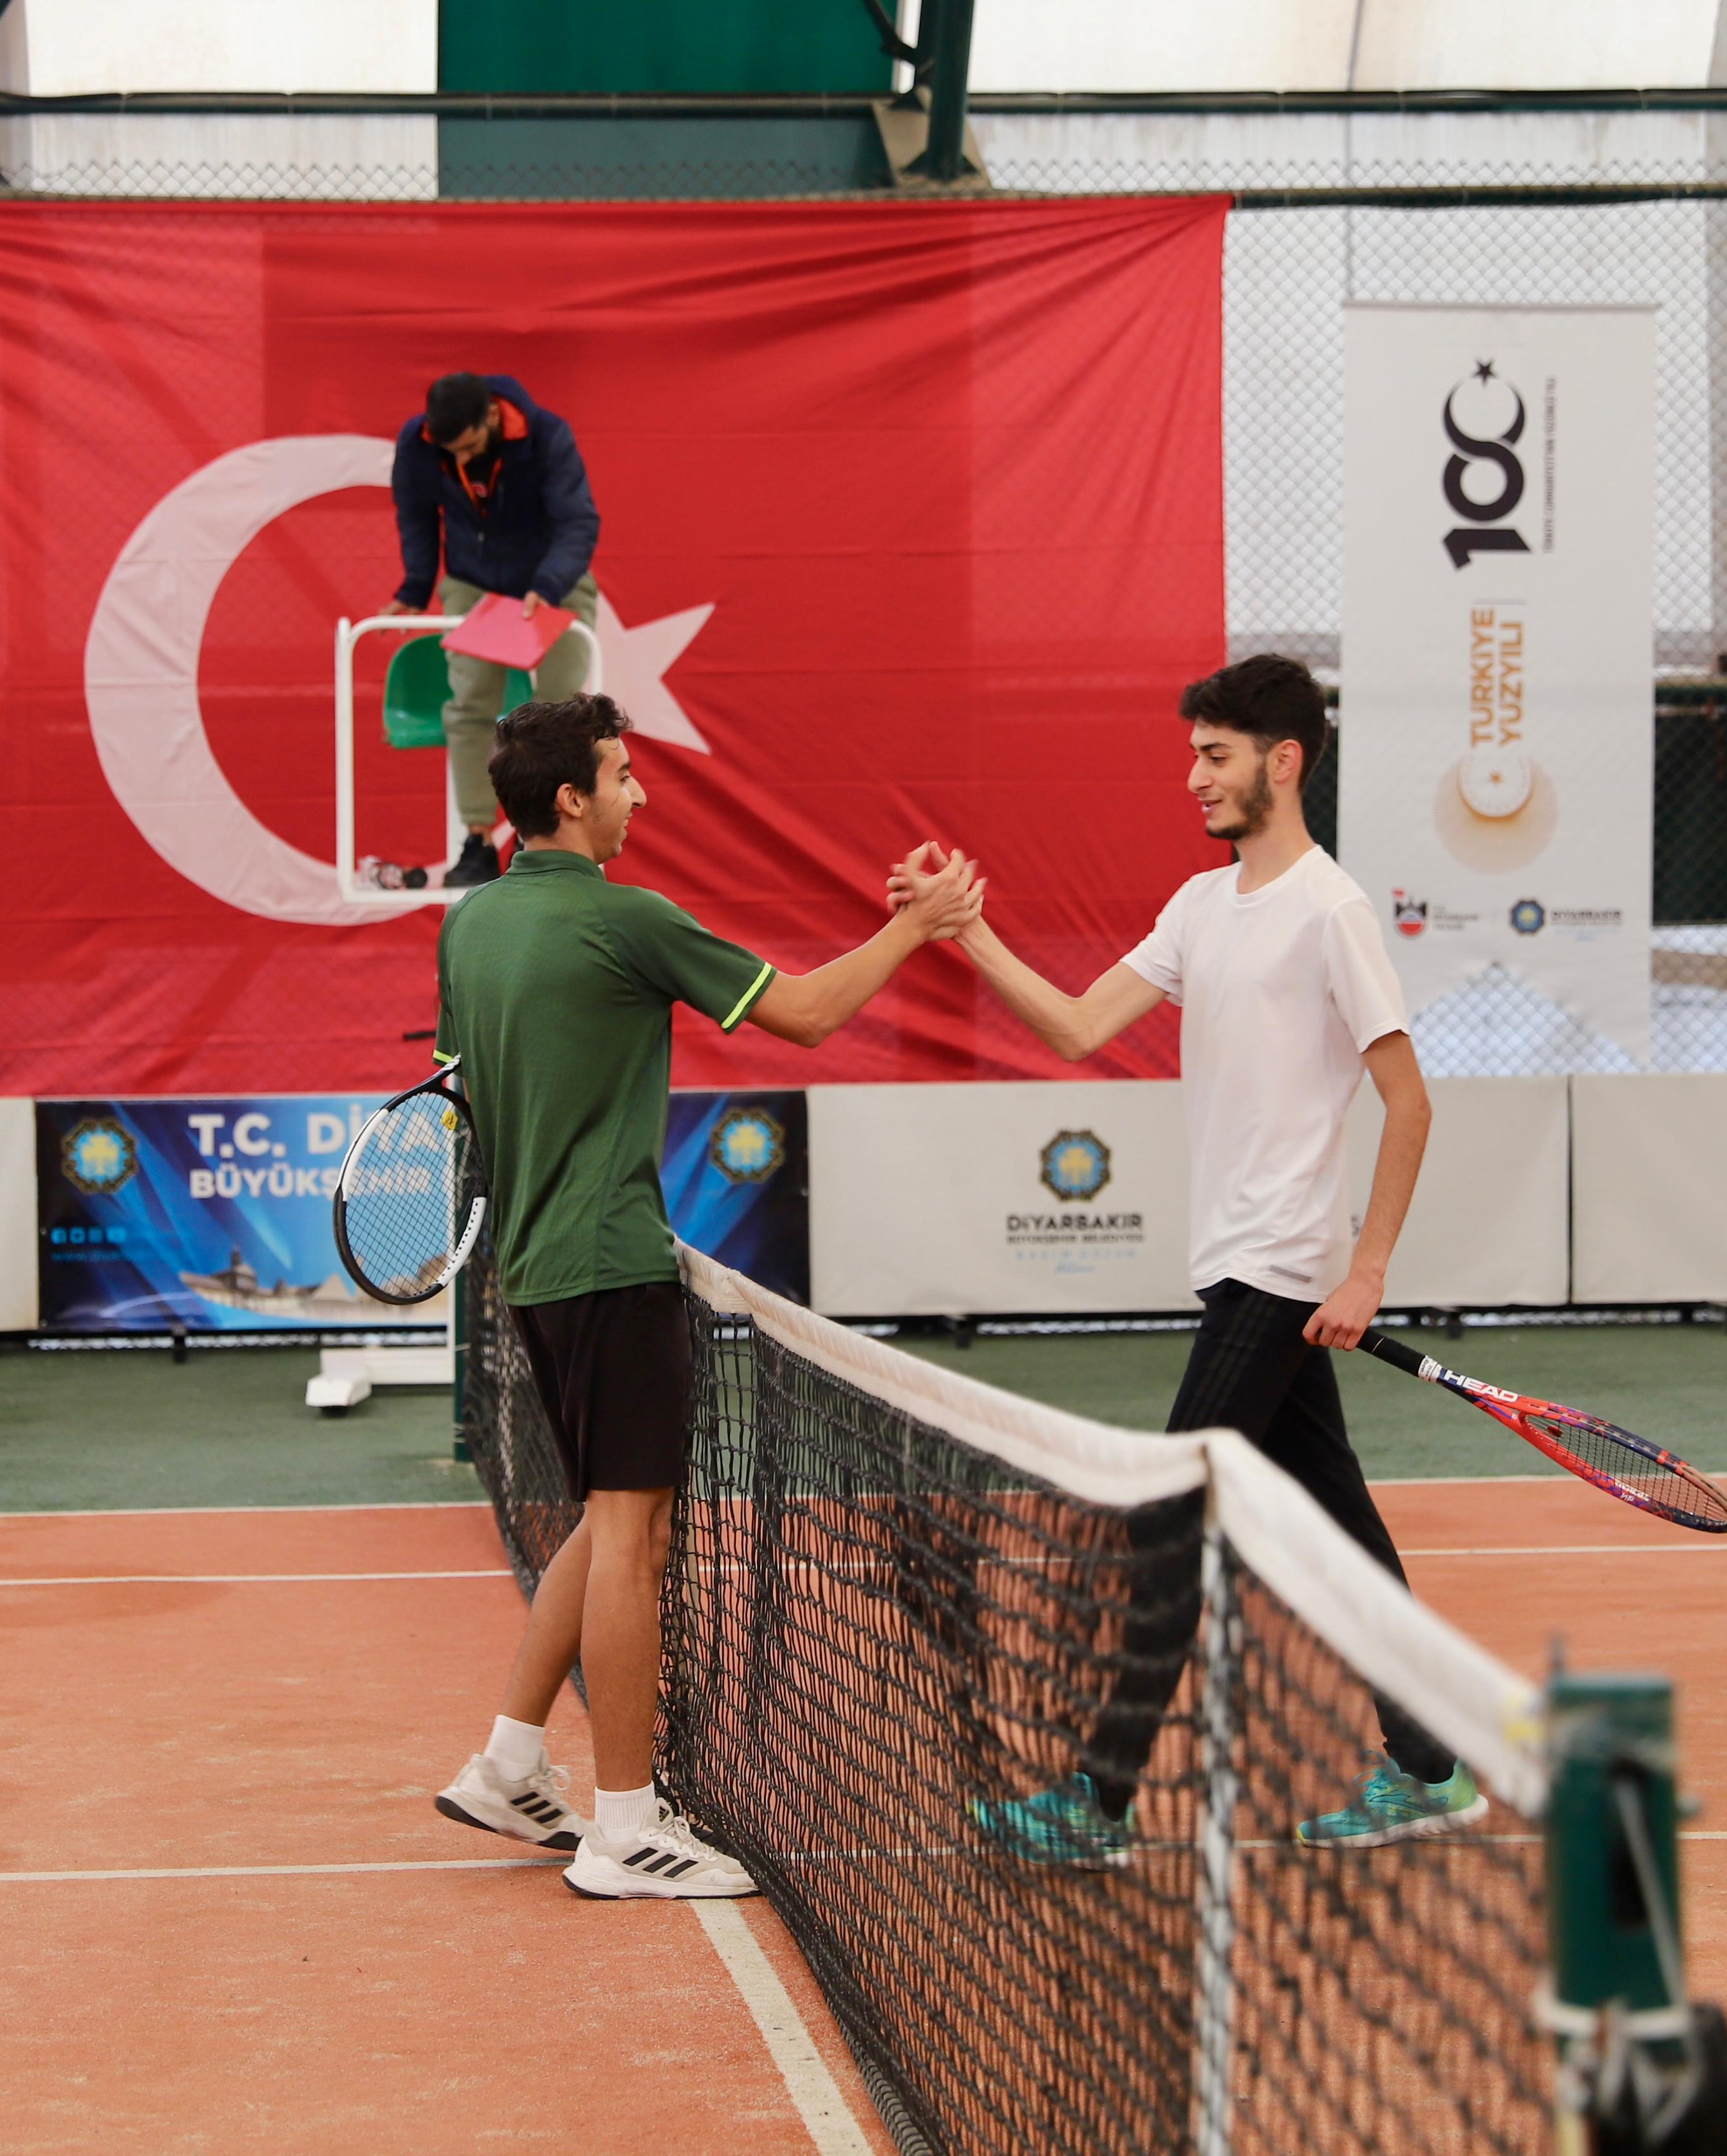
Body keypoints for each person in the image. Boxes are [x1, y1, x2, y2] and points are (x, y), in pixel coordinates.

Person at [904, 652, 1485, 1859]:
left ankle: (1096, 1801)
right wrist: (968, 934)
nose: (1194, 777)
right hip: (1231, 1265)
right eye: (1193, 754)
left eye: (1215, 756)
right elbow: (1075, 1027)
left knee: (1167, 1517)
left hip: (1279, 1269)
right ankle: (1429, 1763)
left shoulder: (1333, 912)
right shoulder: (1198, 906)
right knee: (1341, 1525)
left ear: (1284, 761)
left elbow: (1410, 1101)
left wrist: (1364, 1268)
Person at [429, 692, 984, 1898]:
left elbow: (466, 1078)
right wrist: (922, 928)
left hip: (531, 1271)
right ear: (572, 798)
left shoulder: (469, 929)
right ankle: (624, 1828)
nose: (641, 794)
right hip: (614, 1264)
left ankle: (508, 1760)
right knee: (636, 1532)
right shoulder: (629, 919)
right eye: (624, 776)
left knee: (604, 1515)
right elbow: (810, 1012)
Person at [381, 371, 601, 889]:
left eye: (472, 447)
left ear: (494, 418)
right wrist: (415, 587)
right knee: (470, 703)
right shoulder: (418, 445)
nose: (461, 461)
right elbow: (416, 516)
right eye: (449, 453)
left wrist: (548, 584)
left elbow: (578, 521)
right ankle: (478, 840)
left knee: (558, 713)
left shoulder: (548, 436)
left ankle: (542, 841)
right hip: (473, 583)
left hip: (553, 579)